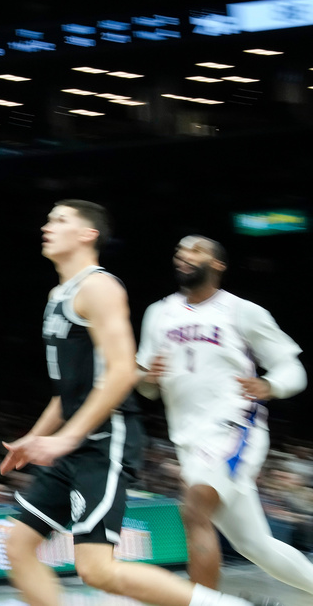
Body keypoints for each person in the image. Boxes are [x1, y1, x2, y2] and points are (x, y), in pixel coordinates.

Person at [0, 200, 276, 606]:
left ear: (87, 234)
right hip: (73, 445)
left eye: (59, 220)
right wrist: (35, 437)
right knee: (17, 547)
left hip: (104, 440)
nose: (47, 226)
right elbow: (68, 392)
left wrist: (65, 439)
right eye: (48, 219)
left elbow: (122, 373)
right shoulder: (58, 294)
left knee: (96, 569)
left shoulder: (99, 287)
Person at [136, 235, 312, 593]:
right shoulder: (158, 313)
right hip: (188, 440)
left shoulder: (242, 311)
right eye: (179, 251)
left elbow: (292, 369)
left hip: (233, 429)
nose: (184, 256)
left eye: (195, 250)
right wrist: (147, 378)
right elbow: (146, 386)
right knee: (255, 546)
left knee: (194, 509)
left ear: (218, 264)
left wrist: (271, 385)